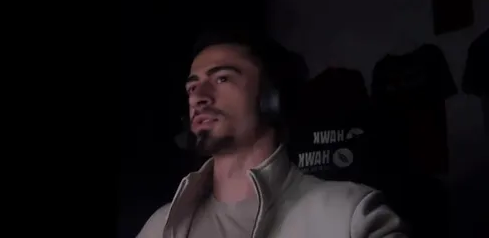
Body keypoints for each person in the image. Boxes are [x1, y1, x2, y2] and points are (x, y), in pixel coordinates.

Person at [136, 29, 408, 238]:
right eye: (192, 87)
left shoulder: (351, 215)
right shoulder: (159, 226)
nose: (198, 97)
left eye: (222, 78)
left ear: (273, 99)